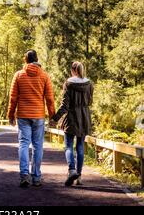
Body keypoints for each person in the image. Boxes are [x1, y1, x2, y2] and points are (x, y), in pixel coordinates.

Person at [7, 50, 55, 188]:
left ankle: (24, 176)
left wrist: (11, 115)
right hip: (38, 116)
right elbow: (50, 99)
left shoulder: (18, 75)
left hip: (23, 115)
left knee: (23, 144)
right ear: (37, 59)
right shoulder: (45, 76)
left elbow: (13, 98)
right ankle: (36, 177)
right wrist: (52, 116)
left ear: (25, 60)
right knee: (37, 146)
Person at [52, 61, 94, 187]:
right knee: (80, 147)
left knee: (68, 146)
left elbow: (64, 106)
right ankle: (79, 177)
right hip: (84, 118)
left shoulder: (68, 84)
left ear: (73, 70)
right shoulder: (89, 84)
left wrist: (55, 119)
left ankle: (72, 170)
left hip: (71, 119)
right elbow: (90, 101)